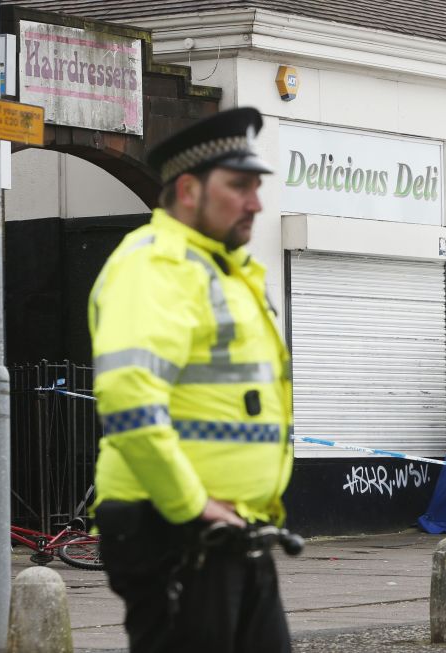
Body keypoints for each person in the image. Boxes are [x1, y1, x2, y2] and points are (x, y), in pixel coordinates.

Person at [88, 107, 294, 653]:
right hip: (175, 528)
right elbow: (128, 396)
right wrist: (189, 504)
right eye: (240, 186)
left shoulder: (227, 271)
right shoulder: (155, 267)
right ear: (187, 189)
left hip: (229, 529)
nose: (255, 202)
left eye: (257, 187)